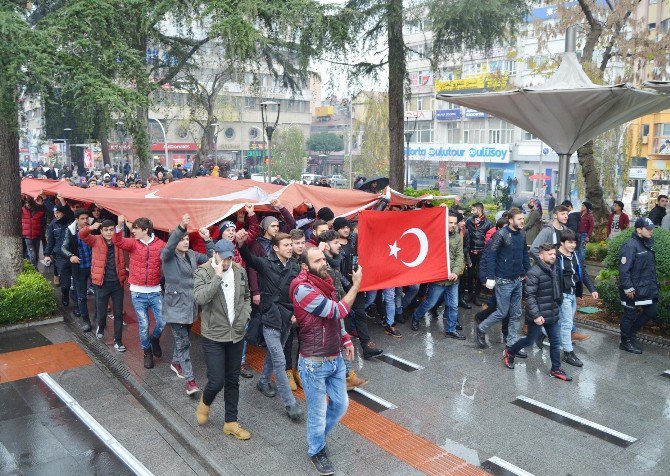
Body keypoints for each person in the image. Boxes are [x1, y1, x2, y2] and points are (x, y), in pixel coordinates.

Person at [290, 247, 363, 476]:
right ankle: (316, 451)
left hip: (335, 358)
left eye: (323, 258)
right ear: (305, 266)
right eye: (317, 260)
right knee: (318, 412)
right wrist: (357, 285)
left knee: (341, 405)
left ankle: (318, 438)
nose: (324, 263)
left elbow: (336, 322)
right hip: (314, 363)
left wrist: (345, 340)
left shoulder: (325, 281)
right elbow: (337, 311)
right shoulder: (302, 289)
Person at [237, 229, 304, 421]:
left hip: (287, 319)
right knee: (280, 359)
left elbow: (297, 294)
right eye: (286, 245)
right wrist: (242, 245)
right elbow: (249, 259)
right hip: (269, 319)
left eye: (291, 245)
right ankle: (290, 404)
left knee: (274, 354)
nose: (290, 248)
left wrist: (295, 315)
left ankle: (264, 381)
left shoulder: (295, 268)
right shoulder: (265, 264)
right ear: (276, 248)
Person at [193, 239, 252, 440]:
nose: (226, 262)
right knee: (216, 381)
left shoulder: (239, 270)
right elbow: (200, 298)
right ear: (214, 254)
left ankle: (231, 422)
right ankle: (205, 402)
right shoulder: (203, 272)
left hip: (236, 334)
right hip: (213, 336)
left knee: (232, 380)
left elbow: (246, 297)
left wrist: (245, 317)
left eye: (230, 257)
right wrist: (217, 277)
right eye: (223, 257)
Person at [503, 244, 573, 382]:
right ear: (541, 256)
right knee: (529, 340)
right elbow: (530, 296)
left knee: (555, 341)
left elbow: (557, 290)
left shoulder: (555, 269)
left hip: (552, 312)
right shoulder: (533, 273)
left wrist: (558, 304)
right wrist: (536, 315)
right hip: (538, 315)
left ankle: (556, 369)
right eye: (550, 254)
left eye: (554, 254)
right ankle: (510, 352)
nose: (553, 256)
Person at [162, 214, 215, 395]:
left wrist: (207, 240)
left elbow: (211, 258)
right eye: (182, 239)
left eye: (187, 239)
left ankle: (176, 362)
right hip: (175, 307)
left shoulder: (192, 255)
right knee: (184, 343)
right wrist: (181, 228)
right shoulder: (168, 256)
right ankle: (190, 381)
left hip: (192, 305)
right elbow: (169, 247)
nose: (185, 242)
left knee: (183, 338)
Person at [113, 215, 166, 369]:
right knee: (144, 325)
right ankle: (146, 351)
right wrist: (119, 226)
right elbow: (118, 241)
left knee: (162, 321)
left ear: (145, 230)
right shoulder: (133, 243)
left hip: (155, 290)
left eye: (136, 228)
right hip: (137, 292)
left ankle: (154, 339)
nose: (133, 231)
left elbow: (169, 256)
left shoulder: (160, 244)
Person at [319, 230, 369, 390]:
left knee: (341, 340)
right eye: (335, 243)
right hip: (328, 308)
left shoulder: (334, 261)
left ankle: (347, 376)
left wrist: (348, 290)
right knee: (335, 343)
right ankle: (343, 376)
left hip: (337, 305)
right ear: (326, 246)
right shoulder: (321, 264)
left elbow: (338, 277)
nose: (339, 245)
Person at [476, 208, 530, 351]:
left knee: (517, 313)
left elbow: (524, 253)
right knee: (502, 312)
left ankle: (512, 344)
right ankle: (481, 328)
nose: (522, 221)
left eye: (523, 219)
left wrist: (528, 272)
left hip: (517, 279)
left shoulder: (522, 234)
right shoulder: (501, 234)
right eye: (519, 219)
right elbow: (491, 256)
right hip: (503, 280)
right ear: (511, 220)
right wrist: (490, 277)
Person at [410, 212, 465, 340]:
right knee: (430, 303)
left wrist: (456, 272)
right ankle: (416, 316)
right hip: (439, 279)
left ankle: (451, 330)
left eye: (454, 223)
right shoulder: (436, 235)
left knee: (453, 305)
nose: (453, 225)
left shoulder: (457, 237)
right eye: (450, 222)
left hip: (453, 279)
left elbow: (459, 256)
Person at [78, 220, 128, 351]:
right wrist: (90, 227)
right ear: (101, 231)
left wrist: (122, 226)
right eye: (105, 230)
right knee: (101, 311)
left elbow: (132, 242)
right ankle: (100, 325)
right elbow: (81, 235)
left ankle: (118, 341)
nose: (109, 233)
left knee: (118, 313)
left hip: (117, 283)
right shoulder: (95, 240)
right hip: (101, 283)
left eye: (111, 230)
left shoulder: (119, 241)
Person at [553, 228, 598, 367]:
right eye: (570, 242)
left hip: (572, 294)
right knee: (567, 324)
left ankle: (542, 333)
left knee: (564, 322)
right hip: (563, 296)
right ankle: (568, 353)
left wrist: (592, 289)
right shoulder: (556, 257)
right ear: (562, 242)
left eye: (574, 243)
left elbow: (583, 273)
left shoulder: (576, 255)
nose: (573, 245)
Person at [618, 218, 659, 354]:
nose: (651, 231)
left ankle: (631, 334)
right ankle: (625, 342)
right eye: (648, 229)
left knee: (652, 311)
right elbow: (624, 270)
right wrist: (628, 288)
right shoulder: (630, 245)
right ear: (639, 230)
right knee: (629, 314)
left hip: (646, 287)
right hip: (633, 289)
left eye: (651, 228)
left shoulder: (647, 243)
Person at [61, 208, 94, 331]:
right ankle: (86, 321)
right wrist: (71, 256)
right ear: (76, 219)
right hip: (79, 268)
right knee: (81, 297)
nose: (85, 221)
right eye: (82, 219)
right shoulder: (70, 231)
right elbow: (63, 248)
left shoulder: (92, 229)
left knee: (99, 295)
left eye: (86, 218)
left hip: (94, 266)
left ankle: (99, 320)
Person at [464, 202, 493, 306]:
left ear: (479, 210)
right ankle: (470, 294)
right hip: (470, 252)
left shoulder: (488, 223)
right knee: (470, 274)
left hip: (482, 253)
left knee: (480, 275)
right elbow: (465, 235)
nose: (472, 212)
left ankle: (477, 296)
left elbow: (490, 239)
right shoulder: (469, 221)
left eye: (473, 210)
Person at [45, 203, 73, 302]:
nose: (56, 215)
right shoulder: (53, 224)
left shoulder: (71, 221)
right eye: (54, 213)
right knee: (65, 284)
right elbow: (51, 241)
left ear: (63, 213)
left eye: (58, 213)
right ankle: (65, 294)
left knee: (76, 284)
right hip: (61, 256)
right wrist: (47, 254)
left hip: (73, 254)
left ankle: (77, 307)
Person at [21, 197, 46, 266]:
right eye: (26, 203)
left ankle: (35, 267)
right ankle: (34, 268)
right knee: (32, 253)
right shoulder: (22, 210)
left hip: (37, 235)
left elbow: (44, 211)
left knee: (36, 253)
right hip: (27, 236)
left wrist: (41, 204)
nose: (27, 204)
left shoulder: (38, 211)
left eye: (29, 203)